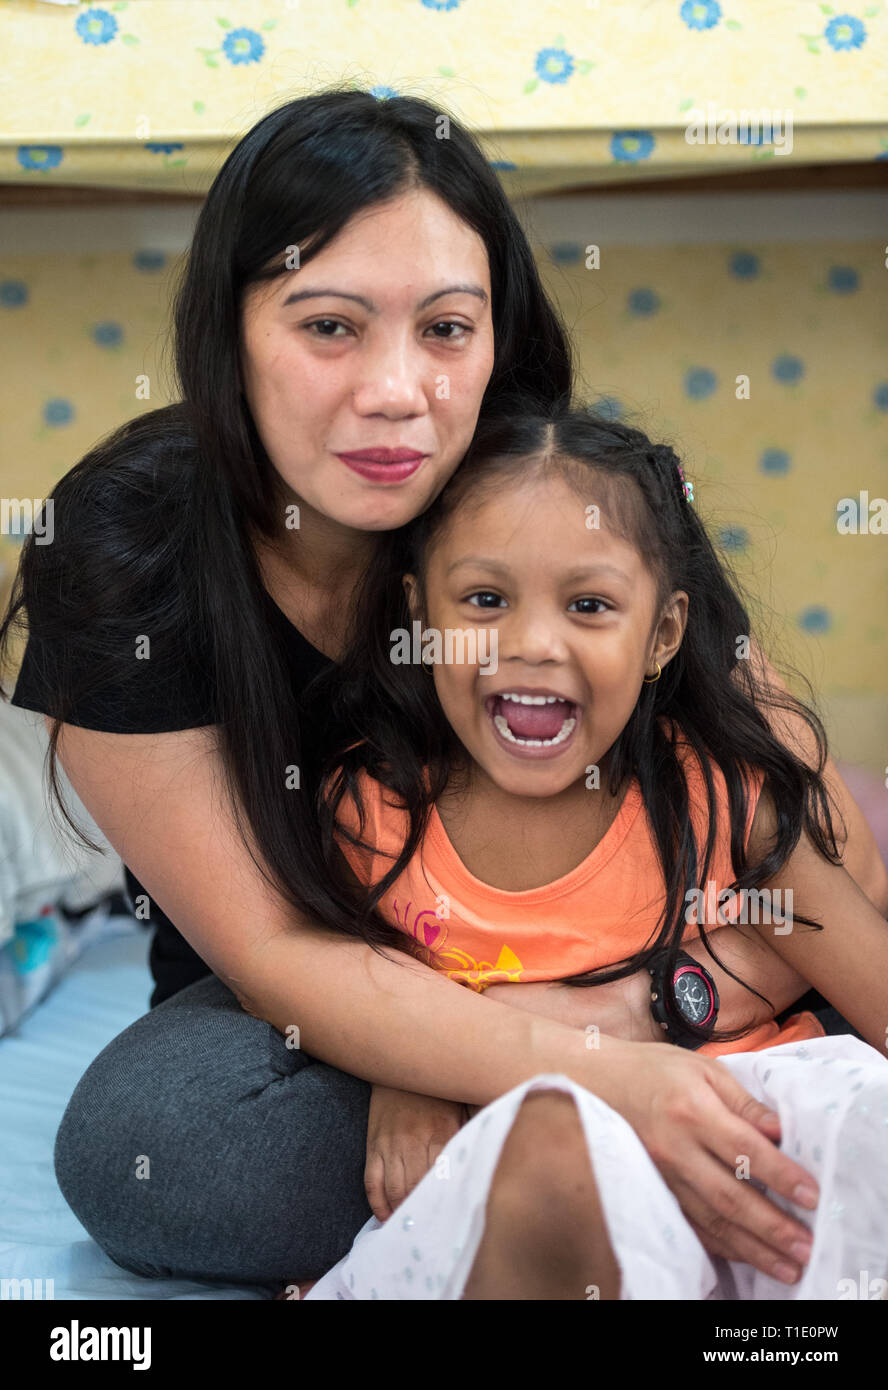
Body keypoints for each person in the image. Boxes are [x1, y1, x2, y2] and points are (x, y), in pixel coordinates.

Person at [1, 89, 885, 1298]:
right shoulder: (128, 547)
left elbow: (822, 847)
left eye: (447, 329)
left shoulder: (551, 487)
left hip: (649, 951)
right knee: (150, 1142)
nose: (398, 393)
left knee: (836, 1043)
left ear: (497, 334)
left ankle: (572, 1160)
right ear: (229, 327)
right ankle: (595, 1159)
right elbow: (276, 956)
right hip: (319, 1012)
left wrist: (614, 1022)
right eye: (329, 326)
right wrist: (476, 1057)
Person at [299, 404, 888, 1299]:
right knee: (554, 1145)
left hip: (757, 1165)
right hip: (548, 1181)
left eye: (589, 605)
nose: (534, 644)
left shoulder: (721, 796)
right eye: (486, 599)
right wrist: (401, 1077)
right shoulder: (368, 814)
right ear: (419, 613)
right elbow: (341, 998)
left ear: (663, 634)